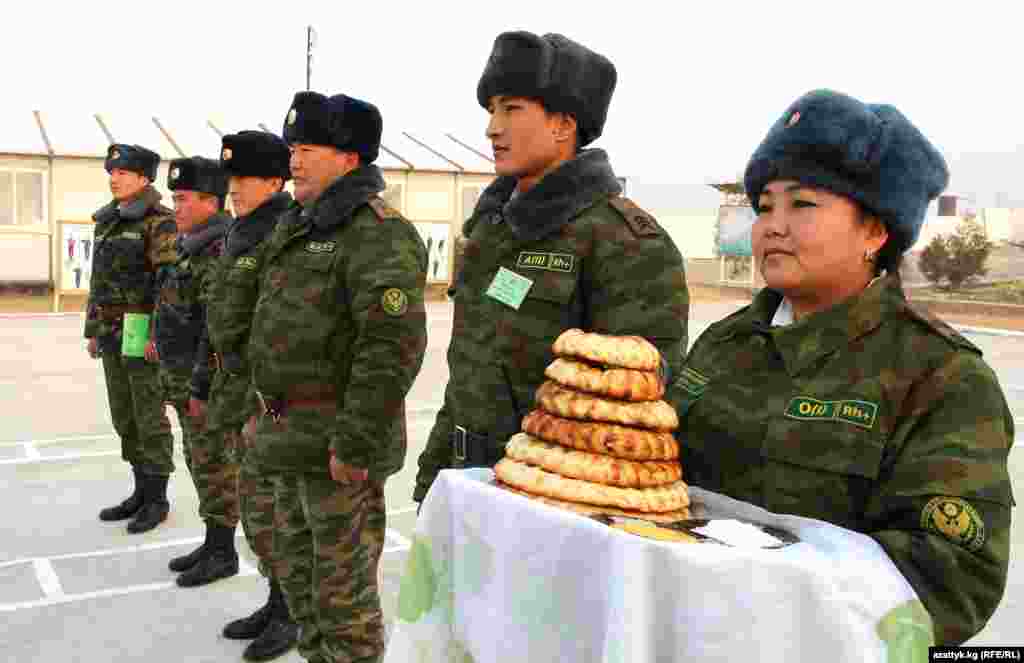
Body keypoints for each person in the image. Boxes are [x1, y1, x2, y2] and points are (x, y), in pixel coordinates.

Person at [669, 89, 1014, 645]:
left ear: (876, 232)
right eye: (764, 206)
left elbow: (953, 577)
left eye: (802, 205)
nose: (772, 226)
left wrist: (757, 587)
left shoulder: (940, 377)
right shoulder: (724, 342)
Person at [414, 31, 690, 505]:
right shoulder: (492, 229)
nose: (492, 128)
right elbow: (469, 373)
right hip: (466, 483)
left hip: (551, 502)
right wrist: (432, 482)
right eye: (491, 110)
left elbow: (636, 408)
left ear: (564, 125)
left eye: (511, 109)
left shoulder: (624, 240)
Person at [245, 91, 428, 663]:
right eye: (292, 148)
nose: (293, 160)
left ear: (349, 158)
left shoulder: (377, 232)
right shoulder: (298, 225)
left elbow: (391, 347)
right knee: (301, 592)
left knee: (343, 605)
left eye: (307, 148)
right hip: (284, 441)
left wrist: (354, 443)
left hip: (335, 453)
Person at [210, 130, 300, 661]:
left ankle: (288, 611)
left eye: (243, 179)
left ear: (274, 180)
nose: (234, 189)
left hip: (267, 401)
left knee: (275, 511)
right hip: (238, 394)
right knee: (255, 510)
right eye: (230, 180)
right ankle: (275, 599)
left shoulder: (280, 234)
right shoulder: (243, 233)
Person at [153, 156, 238, 587]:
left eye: (183, 199)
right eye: (174, 198)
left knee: (215, 465)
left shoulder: (219, 249)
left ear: (211, 201)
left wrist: (201, 386)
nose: (176, 207)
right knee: (199, 461)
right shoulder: (191, 245)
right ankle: (213, 540)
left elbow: (215, 328)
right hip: (183, 381)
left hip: (204, 386)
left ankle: (223, 550)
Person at [87, 143, 177, 534]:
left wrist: (158, 334)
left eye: (123, 172)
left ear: (144, 178)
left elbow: (169, 284)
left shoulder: (159, 221)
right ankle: (140, 490)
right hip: (110, 333)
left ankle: (157, 498)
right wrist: (92, 330)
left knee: (148, 417)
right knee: (124, 415)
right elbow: (98, 281)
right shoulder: (109, 220)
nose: (114, 177)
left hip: (142, 334)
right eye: (112, 171)